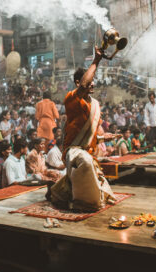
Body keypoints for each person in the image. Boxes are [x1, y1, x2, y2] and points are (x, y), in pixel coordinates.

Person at [48, 48, 119, 211]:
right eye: (89, 80)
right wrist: (96, 61)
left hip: (89, 150)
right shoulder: (71, 97)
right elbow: (85, 84)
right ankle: (81, 202)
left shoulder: (95, 104)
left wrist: (104, 137)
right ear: (77, 83)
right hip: (74, 150)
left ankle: (67, 192)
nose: (92, 83)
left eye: (94, 80)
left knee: (91, 164)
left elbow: (96, 130)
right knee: (85, 162)